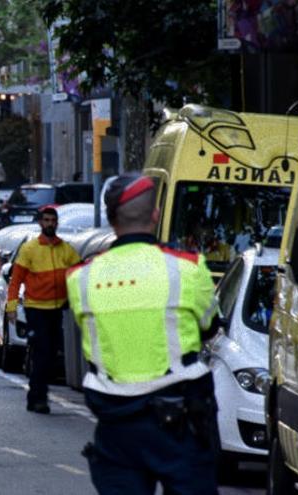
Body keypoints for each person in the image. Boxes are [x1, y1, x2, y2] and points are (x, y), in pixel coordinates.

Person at [66, 173, 220, 494]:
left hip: (116, 425)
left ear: (110, 219)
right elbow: (210, 327)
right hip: (182, 421)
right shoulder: (189, 268)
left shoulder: (81, 278)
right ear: (156, 214)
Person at [6, 207, 80, 413]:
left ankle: (38, 395)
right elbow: (16, 281)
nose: (49, 224)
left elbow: (79, 273)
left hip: (57, 310)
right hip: (35, 309)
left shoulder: (65, 249)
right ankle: (38, 398)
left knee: (49, 354)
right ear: (40, 223)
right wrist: (11, 307)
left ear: (57, 223)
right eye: (46, 220)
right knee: (42, 353)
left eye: (53, 220)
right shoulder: (30, 249)